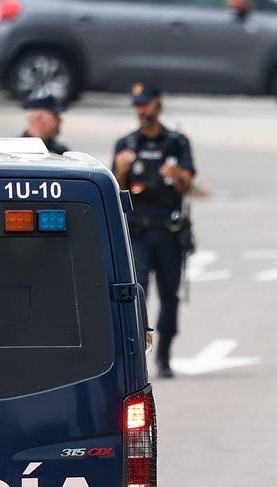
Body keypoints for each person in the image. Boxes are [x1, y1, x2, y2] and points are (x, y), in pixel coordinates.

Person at [113, 84, 196, 378]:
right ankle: (136, 353)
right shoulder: (126, 143)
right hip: (137, 232)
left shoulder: (176, 142)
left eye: (145, 104)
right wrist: (121, 169)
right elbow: (116, 189)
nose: (141, 111)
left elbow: (189, 186)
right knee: (138, 294)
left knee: (169, 295)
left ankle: (164, 354)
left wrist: (177, 177)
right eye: (137, 105)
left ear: (157, 105)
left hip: (168, 230)